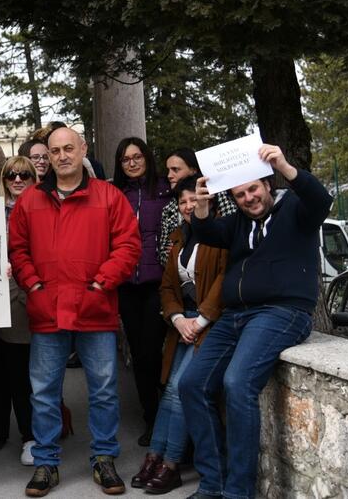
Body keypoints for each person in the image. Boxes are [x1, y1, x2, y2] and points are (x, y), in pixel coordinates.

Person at [179, 145, 330, 499]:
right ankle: (213, 484)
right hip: (235, 315)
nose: (249, 198)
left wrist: (285, 166)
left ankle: (238, 492)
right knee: (191, 384)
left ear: (267, 184)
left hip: (282, 312)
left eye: (253, 189)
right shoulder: (238, 222)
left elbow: (321, 200)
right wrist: (201, 205)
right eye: (240, 194)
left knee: (237, 382)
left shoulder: (296, 209)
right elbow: (207, 233)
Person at [9, 127, 141, 497]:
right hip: (47, 310)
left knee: (103, 390)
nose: (63, 156)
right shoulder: (30, 200)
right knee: (44, 392)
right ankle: (46, 462)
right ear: (47, 157)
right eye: (55, 151)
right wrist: (34, 287)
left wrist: (100, 285)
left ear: (83, 149)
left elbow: (128, 246)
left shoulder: (109, 196)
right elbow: (17, 249)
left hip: (94, 310)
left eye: (69, 148)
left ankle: (104, 458)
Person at [130, 176, 226, 494]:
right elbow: (168, 286)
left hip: (210, 325)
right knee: (170, 388)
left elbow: (224, 281)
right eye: (182, 201)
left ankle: (170, 464)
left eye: (193, 200)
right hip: (183, 324)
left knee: (180, 389)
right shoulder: (178, 238)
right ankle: (155, 457)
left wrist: (200, 321)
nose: (187, 206)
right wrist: (177, 318)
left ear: (208, 200)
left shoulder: (221, 233)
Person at [112, 137, 171, 446]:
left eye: (137, 157)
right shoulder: (115, 194)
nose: (132, 163)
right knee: (139, 354)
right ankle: (152, 418)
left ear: (147, 158)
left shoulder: (164, 189)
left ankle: (169, 417)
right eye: (126, 159)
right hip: (126, 285)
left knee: (153, 352)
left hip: (157, 283)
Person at [0, 157, 37, 465]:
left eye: (24, 174)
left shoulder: (42, 209)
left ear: (33, 178)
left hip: (22, 299)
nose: (17, 179)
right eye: (11, 174)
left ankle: (30, 436)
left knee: (20, 372)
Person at [157, 149, 238, 266]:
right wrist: (174, 253)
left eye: (175, 169)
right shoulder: (168, 209)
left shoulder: (217, 194)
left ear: (193, 170)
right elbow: (164, 254)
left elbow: (232, 234)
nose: (169, 175)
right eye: (168, 170)